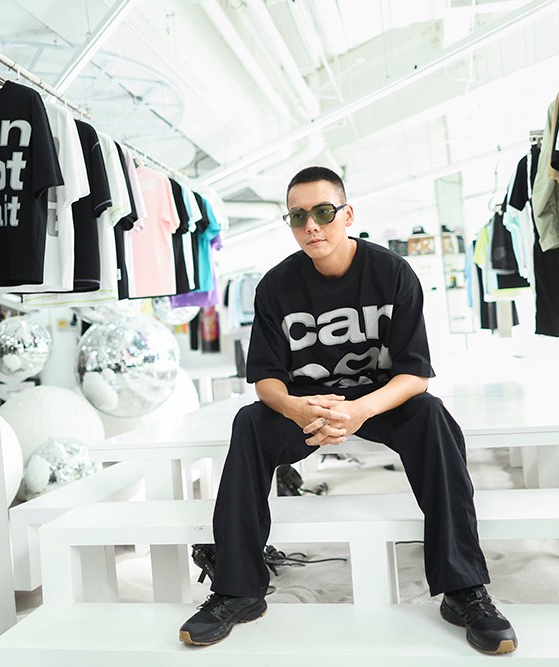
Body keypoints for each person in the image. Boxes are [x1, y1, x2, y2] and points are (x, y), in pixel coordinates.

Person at [179, 166, 518, 655]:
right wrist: (293, 407)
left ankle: (463, 587)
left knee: (432, 416)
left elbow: (415, 373)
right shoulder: (275, 286)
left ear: (348, 214)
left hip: (378, 400)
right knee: (250, 423)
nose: (311, 226)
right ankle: (238, 590)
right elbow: (265, 380)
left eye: (323, 212)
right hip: (308, 405)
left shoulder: (392, 273)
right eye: (298, 216)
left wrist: (360, 411)